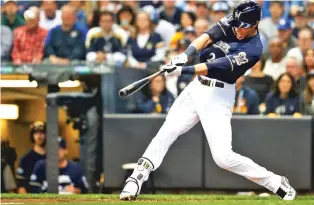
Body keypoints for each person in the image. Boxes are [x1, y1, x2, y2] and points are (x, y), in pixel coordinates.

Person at [120, 1, 296, 201]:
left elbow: (216, 66)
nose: (238, 29)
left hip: (219, 95)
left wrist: (182, 70)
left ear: (255, 24)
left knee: (223, 158)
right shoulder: (234, 20)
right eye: (236, 24)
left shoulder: (253, 49)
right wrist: (185, 55)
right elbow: (207, 36)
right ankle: (136, 178)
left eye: (243, 26)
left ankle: (274, 182)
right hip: (197, 87)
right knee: (167, 131)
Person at [16, 121, 46, 194]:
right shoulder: (26, 160)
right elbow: (21, 186)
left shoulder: (54, 158)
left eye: (42, 132)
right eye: (36, 133)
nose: (39, 136)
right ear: (32, 136)